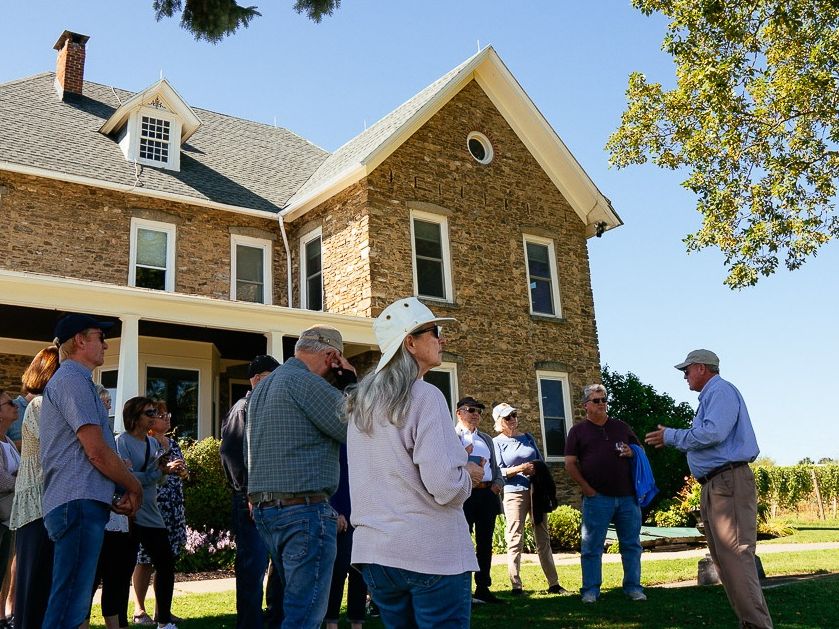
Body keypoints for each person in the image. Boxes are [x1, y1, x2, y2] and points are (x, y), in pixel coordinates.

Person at [346, 297, 482, 628]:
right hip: (431, 553)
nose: (442, 340)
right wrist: (469, 474)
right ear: (410, 342)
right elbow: (445, 486)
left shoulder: (361, 405)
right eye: (434, 332)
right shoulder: (425, 396)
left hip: (376, 555)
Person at [645, 349, 773, 628]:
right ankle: (749, 623)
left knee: (736, 557)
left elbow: (713, 433)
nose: (685, 376)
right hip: (716, 484)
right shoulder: (711, 396)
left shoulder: (721, 391)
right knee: (726, 562)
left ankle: (758, 625)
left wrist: (672, 436)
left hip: (728, 482)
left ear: (702, 368)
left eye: (687, 370)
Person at [247, 326, 356, 629]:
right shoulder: (307, 382)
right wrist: (351, 383)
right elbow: (357, 429)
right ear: (332, 356)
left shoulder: (263, 388)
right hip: (304, 512)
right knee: (305, 615)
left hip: (267, 510)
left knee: (292, 608)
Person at [40, 314, 142, 628]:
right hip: (77, 505)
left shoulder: (75, 380)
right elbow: (96, 451)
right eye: (100, 337)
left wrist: (116, 487)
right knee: (69, 606)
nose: (106, 345)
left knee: (71, 601)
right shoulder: (72, 379)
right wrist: (134, 486)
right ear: (80, 340)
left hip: (77, 503)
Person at [564, 384, 646, 603]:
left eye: (604, 400)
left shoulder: (621, 426)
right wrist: (586, 488)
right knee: (592, 547)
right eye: (596, 400)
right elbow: (570, 463)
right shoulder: (578, 431)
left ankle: (633, 588)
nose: (602, 404)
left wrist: (631, 452)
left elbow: (640, 451)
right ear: (586, 405)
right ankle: (590, 591)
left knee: (631, 545)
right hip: (597, 498)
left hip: (627, 496)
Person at [220, 354, 282, 629]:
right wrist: (247, 494)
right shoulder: (242, 408)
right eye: (272, 377)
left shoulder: (271, 408)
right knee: (252, 566)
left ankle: (275, 619)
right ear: (256, 379)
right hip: (251, 500)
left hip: (275, 500)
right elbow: (231, 454)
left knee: (279, 564)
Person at [116, 397, 186, 629]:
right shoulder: (121, 442)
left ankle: (163, 621)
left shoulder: (153, 444)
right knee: (124, 567)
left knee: (165, 563)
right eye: (149, 413)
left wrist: (164, 471)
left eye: (155, 412)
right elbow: (125, 477)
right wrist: (154, 474)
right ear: (135, 417)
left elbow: (157, 479)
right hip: (130, 514)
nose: (154, 416)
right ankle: (120, 620)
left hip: (152, 513)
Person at [492, 402, 567, 596]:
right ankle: (516, 586)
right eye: (507, 417)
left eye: (514, 415)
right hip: (514, 493)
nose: (512, 419)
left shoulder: (528, 438)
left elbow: (541, 461)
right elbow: (498, 471)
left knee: (543, 537)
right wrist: (520, 468)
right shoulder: (496, 442)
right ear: (499, 421)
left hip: (536, 491)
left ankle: (554, 583)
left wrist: (535, 468)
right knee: (515, 537)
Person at [9, 346, 60, 629]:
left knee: (41, 588)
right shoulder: (40, 405)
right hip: (38, 506)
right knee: (34, 590)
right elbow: (54, 451)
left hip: (45, 503)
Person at [453, 396, 504, 605]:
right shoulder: (452, 437)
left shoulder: (486, 439)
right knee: (461, 542)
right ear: (459, 413)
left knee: (485, 542)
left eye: (479, 411)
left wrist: (497, 484)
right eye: (471, 410)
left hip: (487, 494)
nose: (476, 414)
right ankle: (462, 590)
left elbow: (495, 466)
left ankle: (483, 588)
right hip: (464, 496)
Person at [324, 444, 366, 629]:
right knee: (337, 572)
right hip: (341, 516)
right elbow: (327, 474)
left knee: (360, 574)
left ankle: (357, 623)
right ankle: (331, 622)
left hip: (362, 516)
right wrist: (334, 510)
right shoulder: (337, 440)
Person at [0, 389, 20, 629]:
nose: (15, 406)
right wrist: (22, 479)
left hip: (8, 515)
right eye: (10, 403)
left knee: (4, 569)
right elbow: (2, 480)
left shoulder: (8, 441)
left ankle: (2, 616)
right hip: (2, 513)